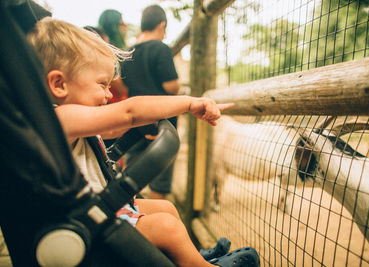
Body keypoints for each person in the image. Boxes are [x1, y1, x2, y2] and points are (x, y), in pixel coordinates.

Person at [27, 18, 259, 267]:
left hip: (95, 212)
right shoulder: (58, 119)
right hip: (82, 227)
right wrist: (189, 103)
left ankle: (187, 258)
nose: (108, 94)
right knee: (166, 227)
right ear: (59, 84)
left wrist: (144, 124)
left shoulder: (74, 123)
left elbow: (117, 125)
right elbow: (128, 112)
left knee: (166, 208)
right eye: (102, 84)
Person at [118, 5, 181, 199]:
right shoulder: (161, 49)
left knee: (133, 173)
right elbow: (171, 86)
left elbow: (122, 84)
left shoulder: (128, 52)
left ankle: (132, 211)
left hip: (136, 123)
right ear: (162, 25)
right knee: (160, 178)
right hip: (161, 123)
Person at [98, 9, 128, 104]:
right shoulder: (105, 51)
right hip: (111, 104)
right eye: (121, 24)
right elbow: (120, 87)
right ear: (112, 27)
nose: (125, 26)